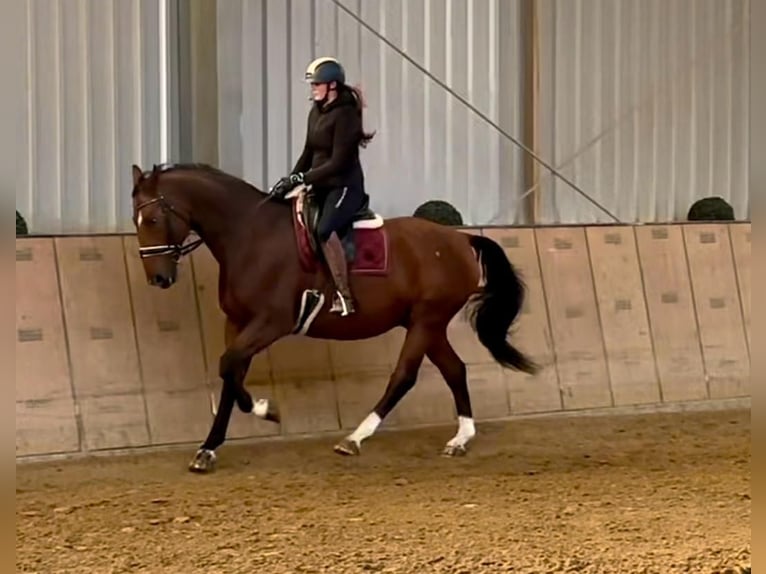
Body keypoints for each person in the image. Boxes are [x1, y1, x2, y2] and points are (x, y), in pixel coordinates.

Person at [270, 56, 375, 317]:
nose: (313, 89)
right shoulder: (316, 112)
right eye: (313, 85)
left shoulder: (346, 116)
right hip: (321, 184)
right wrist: (289, 180)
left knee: (325, 229)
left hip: (344, 187)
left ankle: (344, 294)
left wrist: (304, 179)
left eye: (317, 84)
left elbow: (338, 162)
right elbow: (308, 152)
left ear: (332, 86)